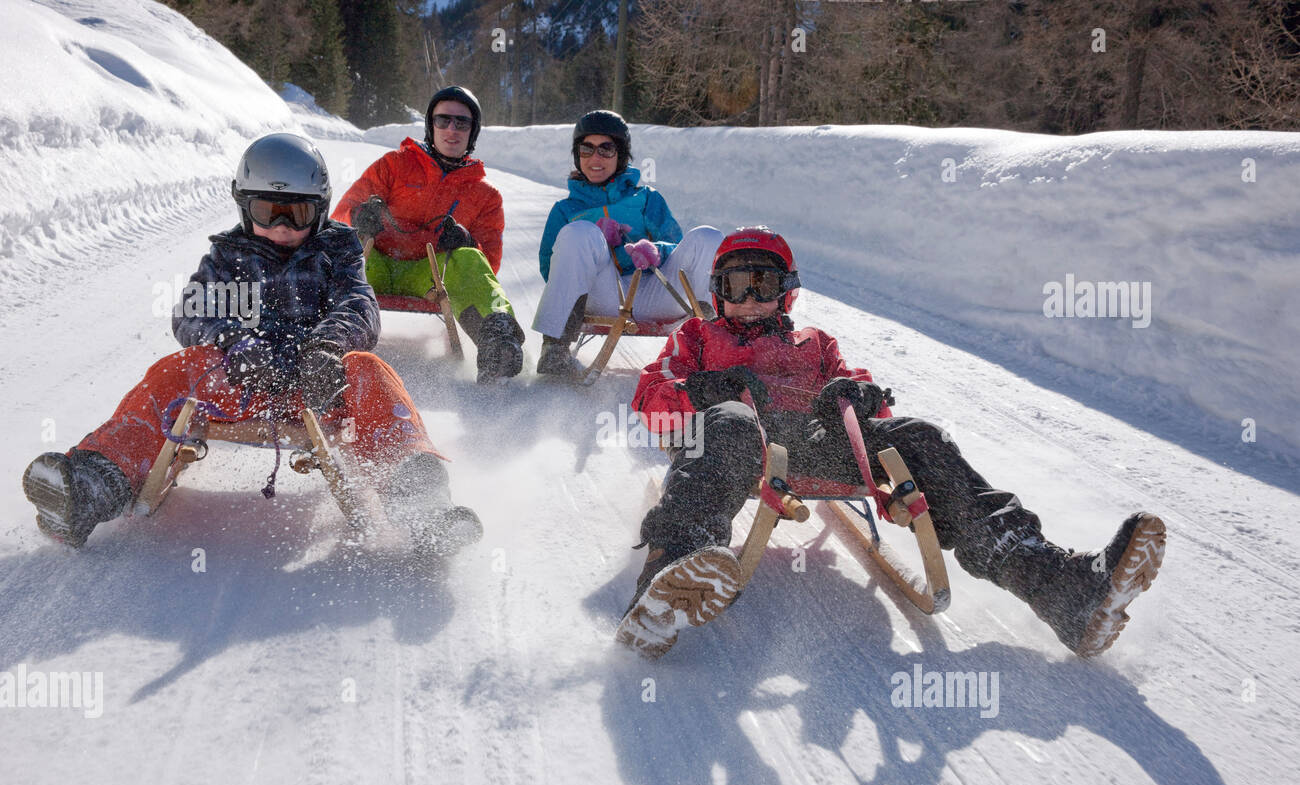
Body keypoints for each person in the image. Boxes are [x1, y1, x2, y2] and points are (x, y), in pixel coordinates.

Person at [620, 226, 1167, 659]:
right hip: (736, 442)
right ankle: (669, 575)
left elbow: (865, 400)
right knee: (733, 419)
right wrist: (699, 389)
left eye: (762, 285)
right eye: (735, 286)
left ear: (786, 292)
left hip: (814, 441)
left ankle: (1059, 588)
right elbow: (650, 399)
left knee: (919, 437)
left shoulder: (815, 342)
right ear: (717, 293)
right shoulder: (697, 336)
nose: (748, 300)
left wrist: (859, 396)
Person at [22, 132, 482, 555]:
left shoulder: (337, 248)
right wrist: (234, 343)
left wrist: (327, 348)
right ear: (245, 208)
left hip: (319, 388)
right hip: (242, 383)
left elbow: (359, 304)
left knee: (370, 371)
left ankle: (421, 505)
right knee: (177, 368)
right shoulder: (229, 254)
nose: (281, 226)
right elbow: (192, 310)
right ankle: (94, 483)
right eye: (267, 212)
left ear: (320, 210)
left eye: (296, 214)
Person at [332, 86, 525, 383]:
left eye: (462, 123)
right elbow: (339, 218)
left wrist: (467, 242)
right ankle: (325, 345)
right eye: (443, 120)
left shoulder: (485, 195)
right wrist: (358, 217)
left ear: (473, 132)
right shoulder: (394, 165)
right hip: (374, 264)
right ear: (430, 125)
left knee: (469, 258)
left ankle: (498, 343)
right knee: (346, 247)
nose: (452, 129)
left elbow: (488, 264)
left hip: (432, 275)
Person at [532, 110, 722, 377]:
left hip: (656, 293)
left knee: (707, 237)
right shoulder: (565, 210)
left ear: (620, 154)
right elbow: (550, 269)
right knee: (579, 233)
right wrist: (596, 247)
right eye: (586, 149)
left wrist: (656, 251)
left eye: (606, 149)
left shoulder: (646, 198)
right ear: (577, 155)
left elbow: (679, 248)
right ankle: (554, 349)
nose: (595, 158)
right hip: (604, 296)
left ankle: (719, 343)